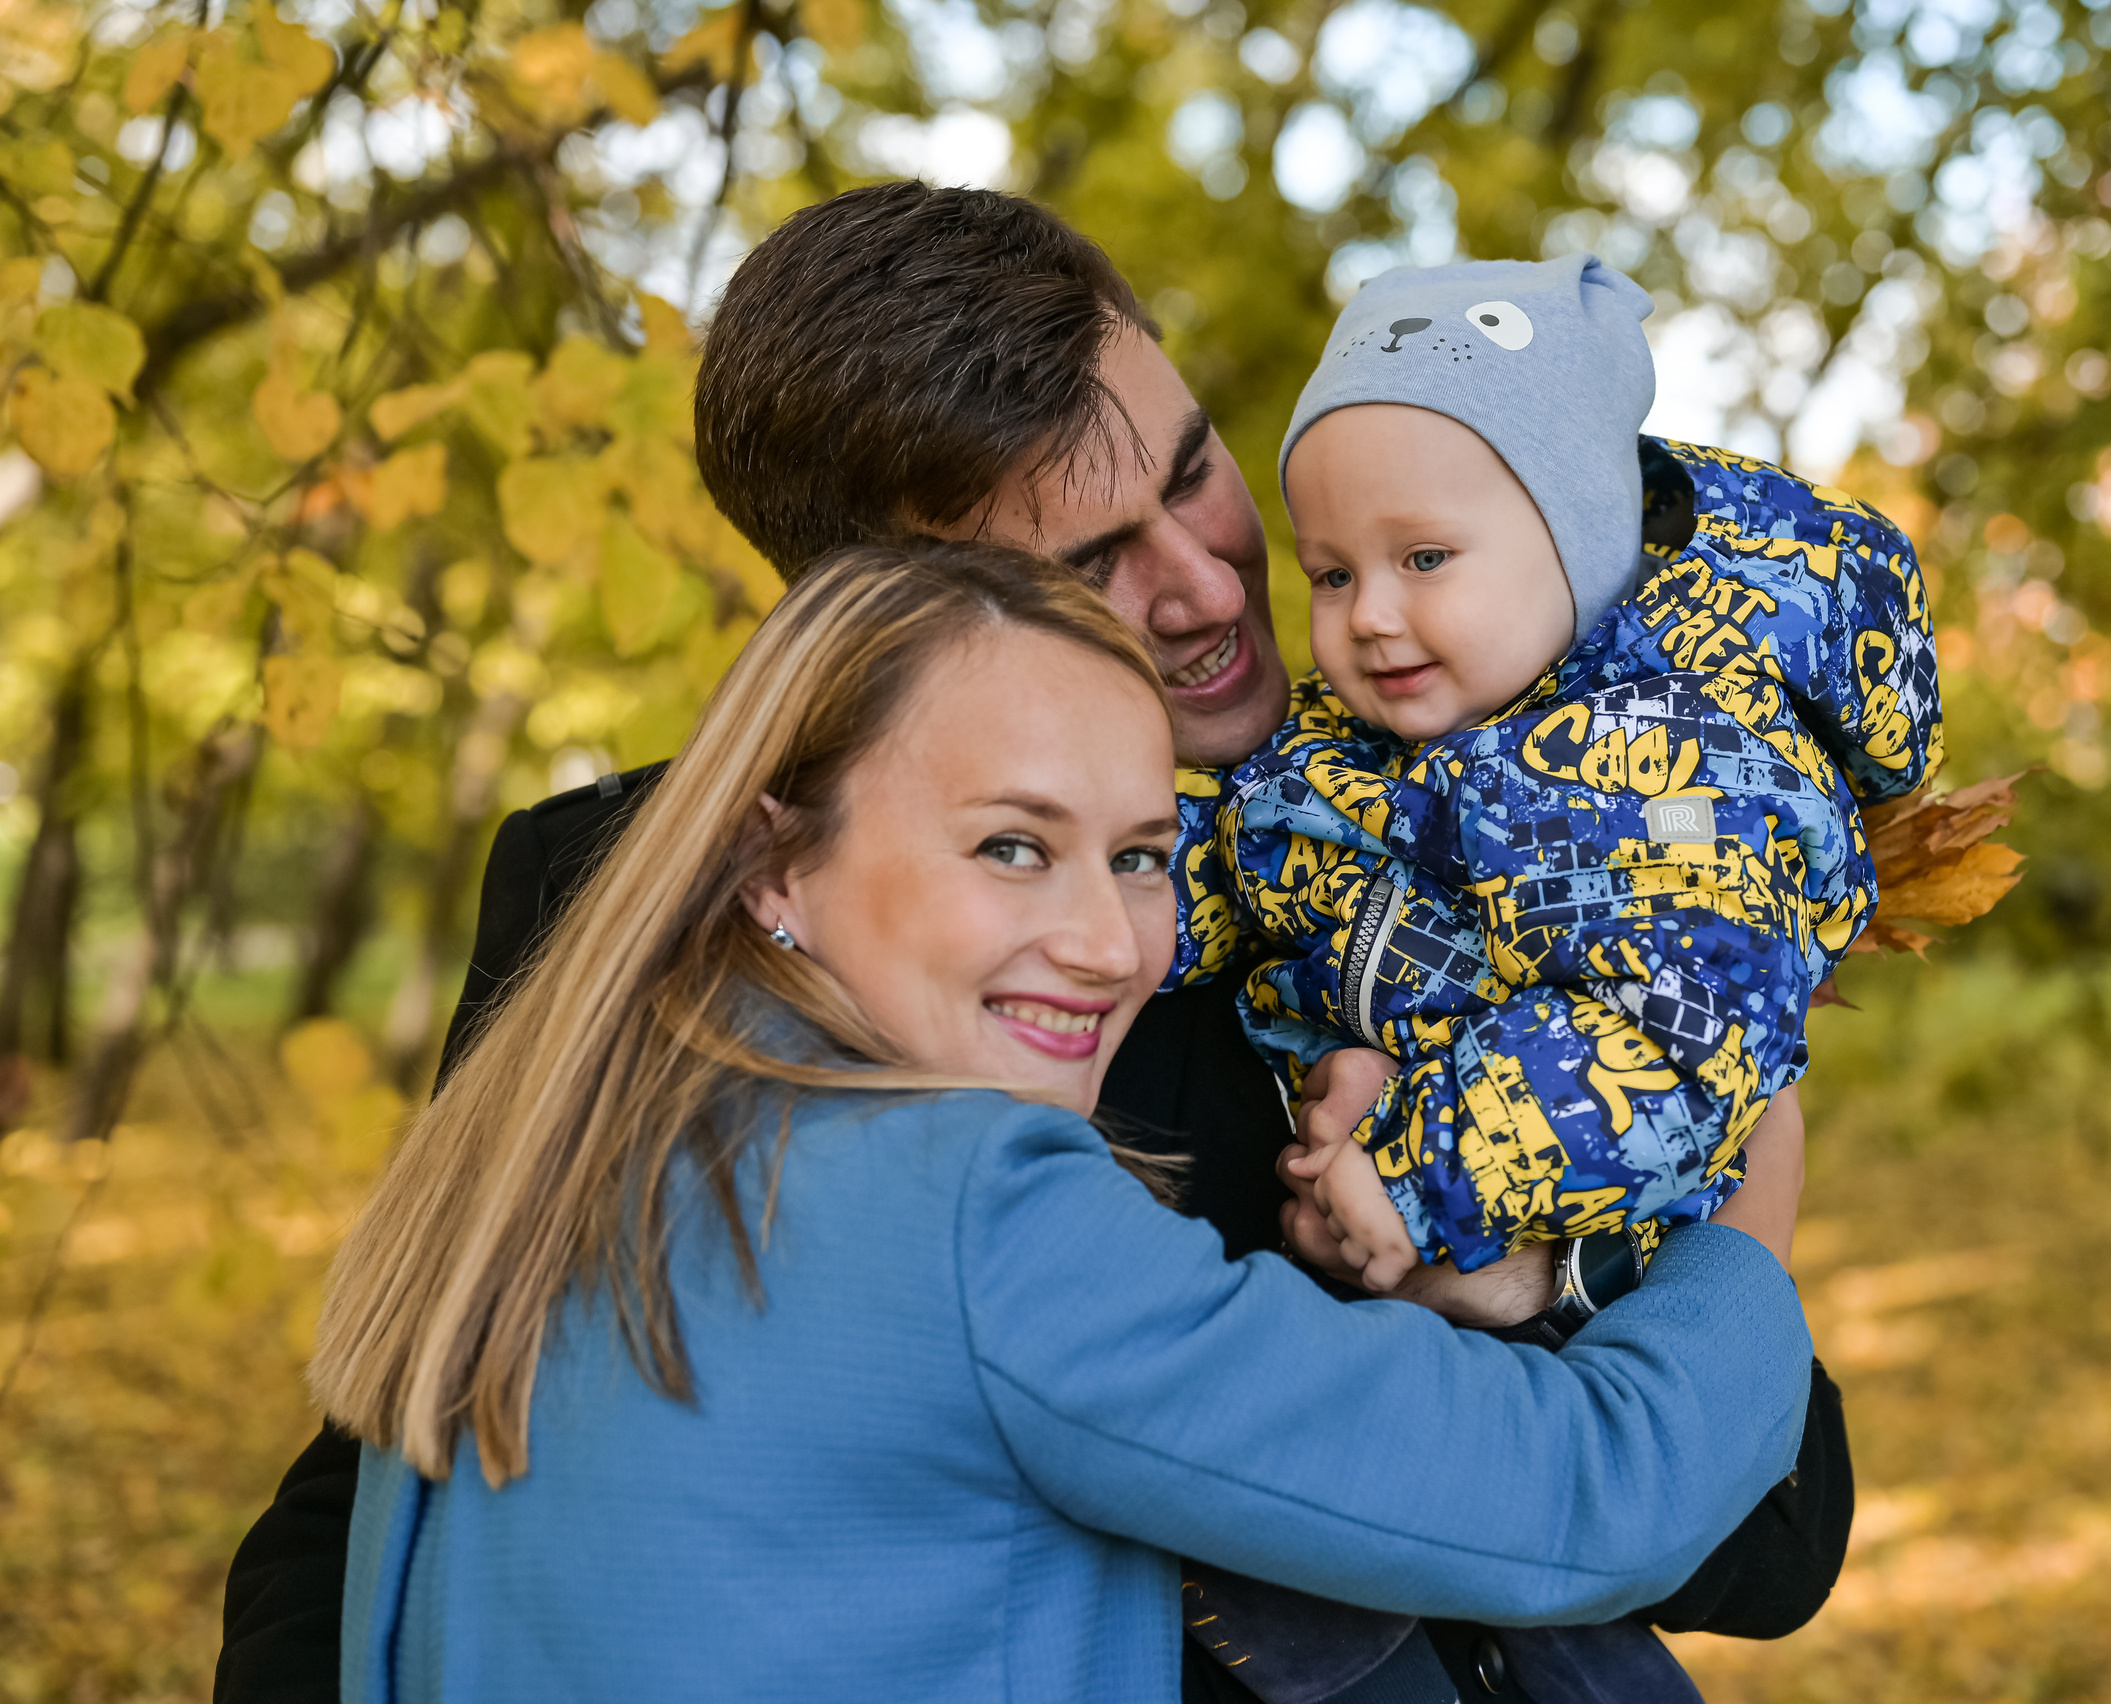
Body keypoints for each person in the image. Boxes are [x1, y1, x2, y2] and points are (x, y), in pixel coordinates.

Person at [215, 185, 1853, 1704]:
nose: (1212, 581)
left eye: (1196, 467)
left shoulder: (1544, 831)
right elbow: (399, 1447)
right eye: (1088, 563)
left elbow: (1760, 1541)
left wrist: (1507, 1269)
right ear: (881, 614)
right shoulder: (644, 893)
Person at [1203, 253, 1939, 1290]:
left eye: (1422, 559)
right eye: (1332, 572)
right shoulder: (1350, 737)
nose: (1367, 614)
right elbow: (1237, 845)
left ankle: (1518, 1286)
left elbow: (1679, 1040)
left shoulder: (1688, 771)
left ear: (1580, 546)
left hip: (1560, 1227)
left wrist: (1422, 1175)